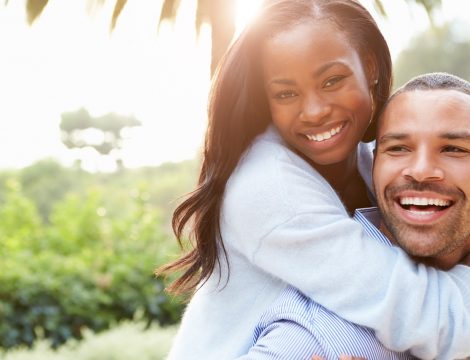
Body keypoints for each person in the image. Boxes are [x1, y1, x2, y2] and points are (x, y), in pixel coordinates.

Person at [158, 1, 470, 359]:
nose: (315, 111)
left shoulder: (376, 161)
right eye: (286, 93)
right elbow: (435, 321)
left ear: (369, 66)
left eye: (332, 80)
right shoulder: (268, 187)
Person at [241, 72, 470, 360]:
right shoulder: (319, 333)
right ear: (374, 165)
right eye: (398, 148)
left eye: (454, 149)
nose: (421, 169)